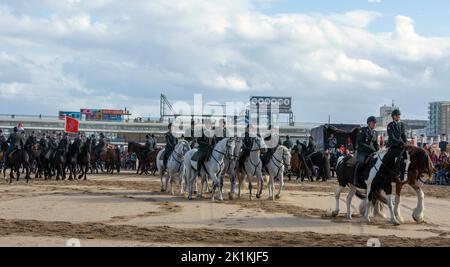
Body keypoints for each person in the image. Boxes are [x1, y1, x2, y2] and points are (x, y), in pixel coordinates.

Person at [354, 116, 380, 186]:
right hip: (362, 152)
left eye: (375, 123)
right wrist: (370, 148)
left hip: (372, 152)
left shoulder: (375, 132)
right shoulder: (363, 130)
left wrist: (379, 150)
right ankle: (355, 179)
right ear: (369, 123)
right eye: (373, 123)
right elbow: (360, 142)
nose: (375, 124)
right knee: (361, 163)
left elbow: (375, 144)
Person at [386, 109, 408, 180]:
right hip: (392, 145)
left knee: (407, 156)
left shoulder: (401, 124)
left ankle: (404, 172)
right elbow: (392, 137)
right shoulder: (390, 125)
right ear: (393, 117)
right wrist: (400, 142)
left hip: (400, 145)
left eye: (399, 115)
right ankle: (396, 172)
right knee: (398, 156)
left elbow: (403, 135)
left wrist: (405, 143)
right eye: (397, 115)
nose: (399, 116)